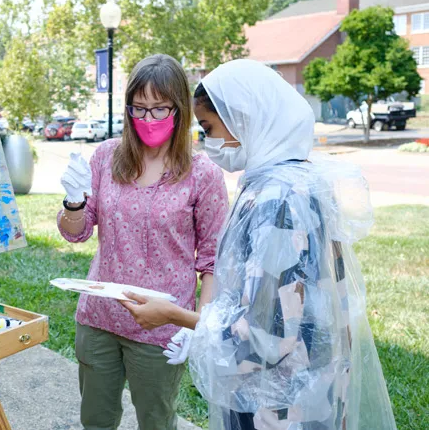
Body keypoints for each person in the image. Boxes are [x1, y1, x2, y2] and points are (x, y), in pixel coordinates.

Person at [121, 59, 397, 430]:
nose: (209, 142)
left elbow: (267, 335)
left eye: (209, 128)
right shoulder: (294, 181)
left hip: (280, 404)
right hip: (305, 387)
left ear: (244, 119)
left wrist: (173, 317)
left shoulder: (277, 200)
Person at [57, 54, 229, 430]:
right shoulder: (107, 156)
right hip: (99, 317)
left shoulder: (204, 175)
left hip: (161, 327)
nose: (147, 119)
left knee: (156, 421)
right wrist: (74, 202)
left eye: (158, 109)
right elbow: (77, 232)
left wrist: (194, 326)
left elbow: (214, 261)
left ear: (179, 109)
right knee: (96, 419)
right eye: (139, 109)